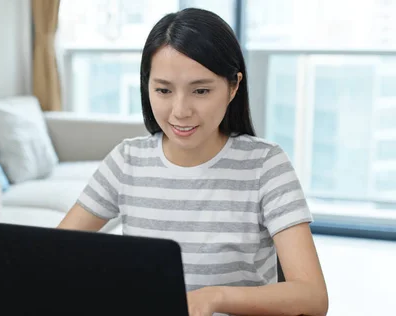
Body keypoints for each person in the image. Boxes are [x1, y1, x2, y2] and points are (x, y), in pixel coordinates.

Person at [57, 8, 329, 316]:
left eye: (200, 90)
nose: (180, 111)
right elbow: (53, 253)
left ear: (233, 86)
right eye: (163, 90)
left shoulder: (265, 165)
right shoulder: (127, 161)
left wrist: (213, 297)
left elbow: (312, 297)